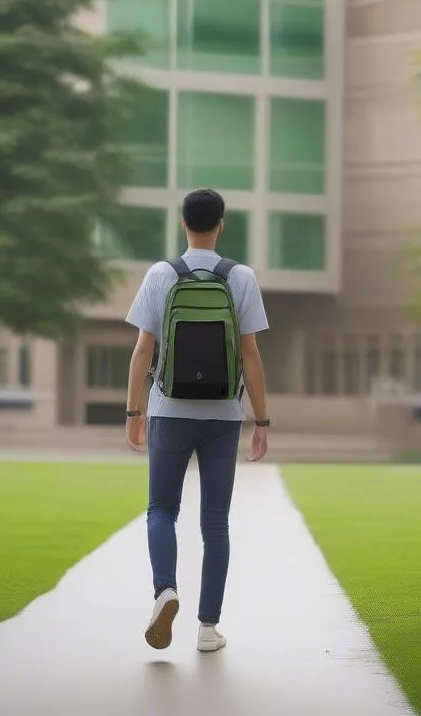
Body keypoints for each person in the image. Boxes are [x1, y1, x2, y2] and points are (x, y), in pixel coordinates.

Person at [124, 188, 271, 654]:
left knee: (162, 510)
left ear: (182, 223)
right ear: (221, 224)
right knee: (216, 523)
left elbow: (144, 348)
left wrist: (134, 411)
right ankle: (208, 629)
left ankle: (165, 590)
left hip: (169, 410)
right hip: (223, 417)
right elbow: (250, 354)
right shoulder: (240, 276)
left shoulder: (162, 274)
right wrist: (261, 422)